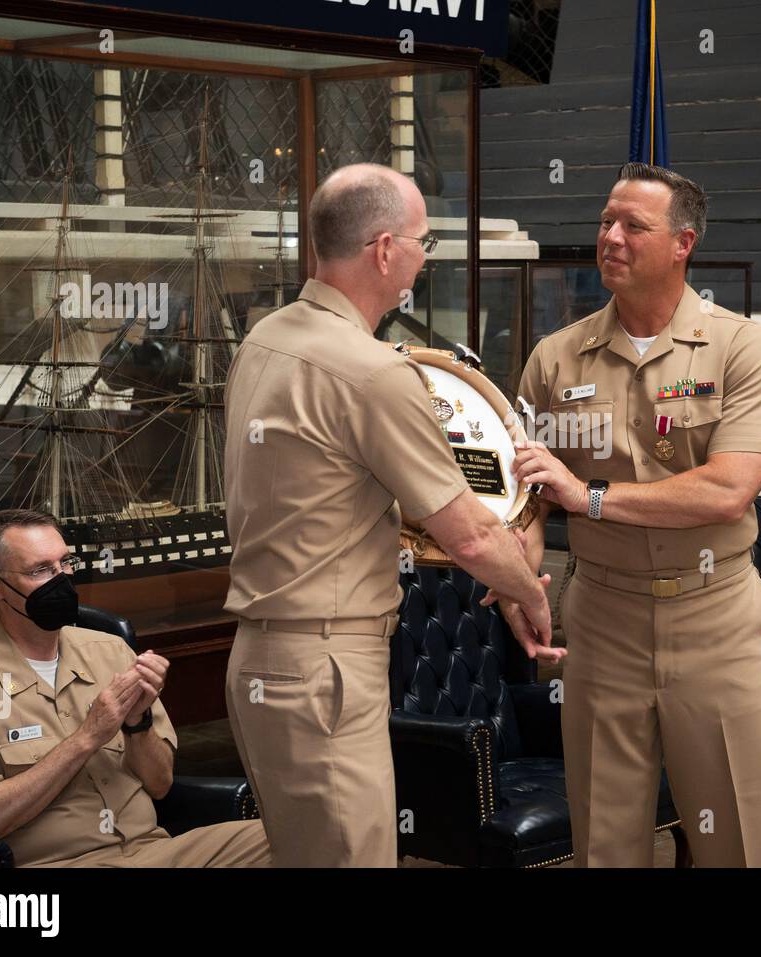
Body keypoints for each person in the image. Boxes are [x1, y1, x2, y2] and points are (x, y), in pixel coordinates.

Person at [222, 162, 561, 868]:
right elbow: (466, 530)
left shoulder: (263, 341)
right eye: (421, 241)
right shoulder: (373, 371)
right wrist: (528, 589)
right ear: (383, 250)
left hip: (260, 660)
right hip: (324, 671)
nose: (423, 257)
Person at [509, 163, 761, 867]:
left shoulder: (740, 348)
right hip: (601, 628)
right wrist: (516, 565)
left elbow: (728, 489)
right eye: (606, 221)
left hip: (714, 622)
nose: (611, 236)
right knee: (604, 843)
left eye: (633, 225)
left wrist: (590, 497)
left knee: (738, 844)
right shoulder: (555, 357)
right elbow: (527, 494)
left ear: (682, 243)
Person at [0, 508, 269, 867]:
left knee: (297, 835)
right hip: (62, 863)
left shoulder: (109, 650)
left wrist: (137, 722)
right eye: (40, 570)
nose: (61, 579)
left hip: (154, 851)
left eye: (65, 563)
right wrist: (88, 737)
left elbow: (160, 785)